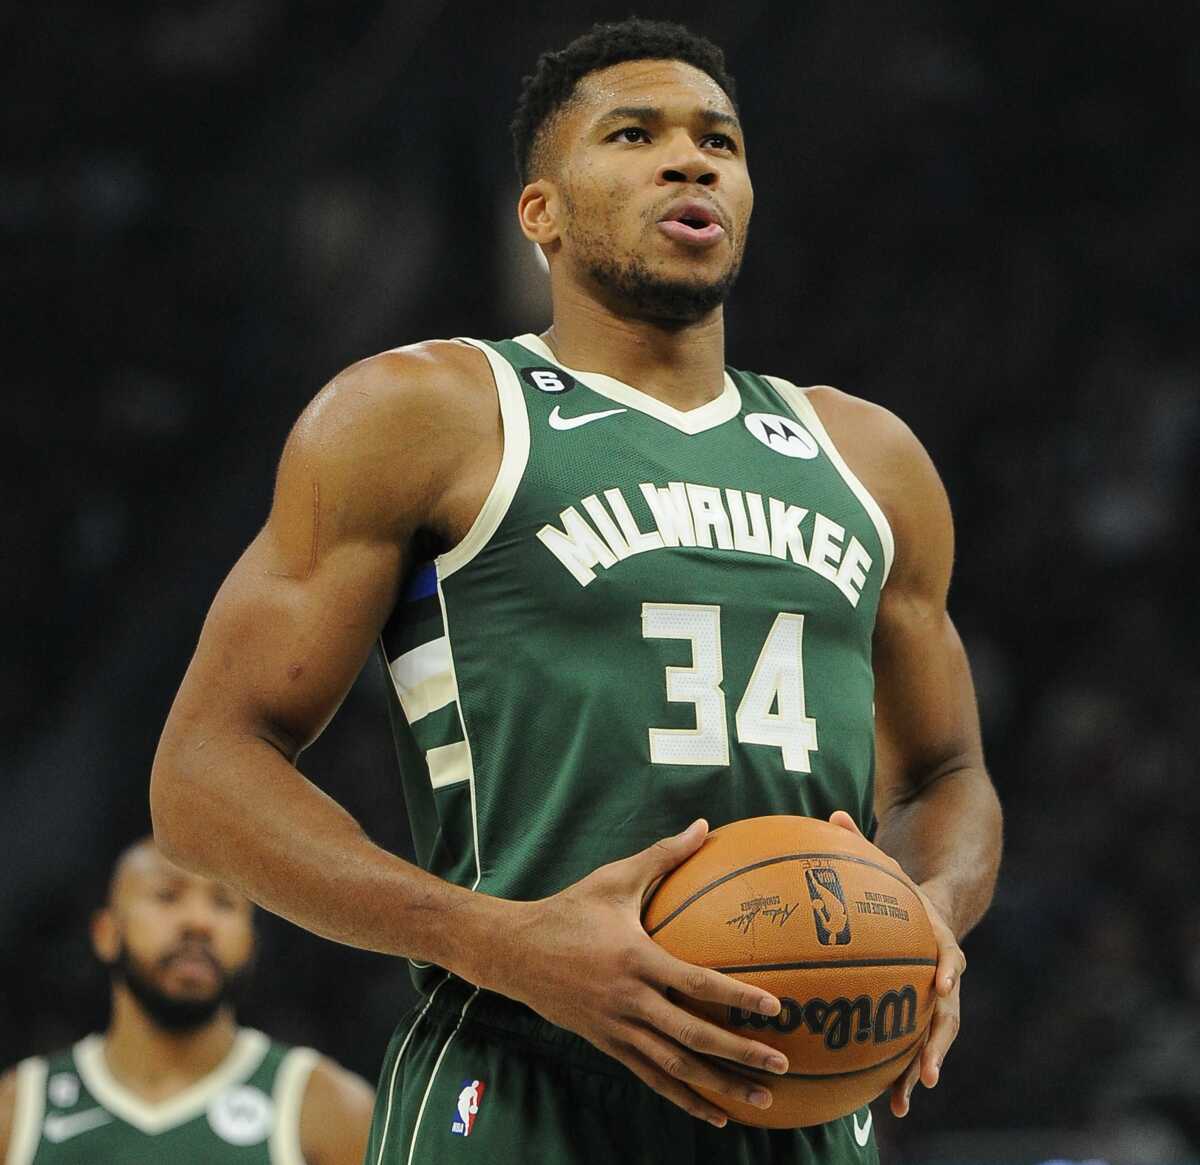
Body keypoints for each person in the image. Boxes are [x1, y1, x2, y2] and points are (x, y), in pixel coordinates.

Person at [149, 16, 1002, 1164]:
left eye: (719, 141)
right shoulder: (425, 414)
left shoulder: (869, 457)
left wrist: (929, 914)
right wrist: (493, 940)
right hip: (518, 1089)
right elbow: (201, 776)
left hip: (796, 1097)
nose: (690, 160)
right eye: (634, 134)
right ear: (540, 212)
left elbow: (947, 773)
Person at [0, 838, 373, 1164]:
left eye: (224, 903)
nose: (198, 922)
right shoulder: (17, 1110)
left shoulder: (328, 1108)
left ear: (251, 942)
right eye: (167, 895)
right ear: (106, 933)